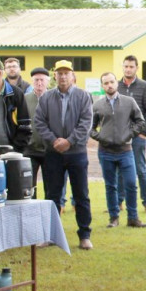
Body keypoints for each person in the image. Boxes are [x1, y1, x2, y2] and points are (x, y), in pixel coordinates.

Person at [34, 60, 94, 250]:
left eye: (66, 72)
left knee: (81, 194)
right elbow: (39, 122)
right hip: (53, 154)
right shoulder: (46, 98)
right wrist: (54, 141)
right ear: (55, 76)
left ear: (72, 75)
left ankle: (84, 235)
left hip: (76, 153)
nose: (62, 76)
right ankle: (51, 235)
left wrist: (69, 141)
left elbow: (86, 123)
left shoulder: (83, 96)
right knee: (52, 195)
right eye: (59, 73)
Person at [91, 71, 146, 229]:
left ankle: (133, 218)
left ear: (117, 83)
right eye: (106, 83)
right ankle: (114, 217)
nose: (109, 85)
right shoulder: (97, 105)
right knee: (110, 186)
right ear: (102, 86)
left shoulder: (129, 102)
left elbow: (140, 121)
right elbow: (90, 128)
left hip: (125, 150)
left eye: (111, 82)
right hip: (105, 151)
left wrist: (129, 134)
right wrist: (101, 137)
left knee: (131, 183)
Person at [118, 55, 146, 214]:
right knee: (120, 170)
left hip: (138, 136)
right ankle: (118, 202)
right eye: (126, 66)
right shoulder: (116, 85)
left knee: (140, 169)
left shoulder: (144, 86)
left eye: (131, 66)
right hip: (120, 137)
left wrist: (144, 132)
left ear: (137, 68)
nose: (128, 69)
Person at [22, 67, 50, 198]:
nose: (39, 83)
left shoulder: (54, 98)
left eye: (42, 80)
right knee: (28, 185)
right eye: (36, 80)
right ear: (32, 81)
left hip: (49, 149)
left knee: (51, 185)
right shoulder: (24, 99)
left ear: (47, 82)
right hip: (30, 149)